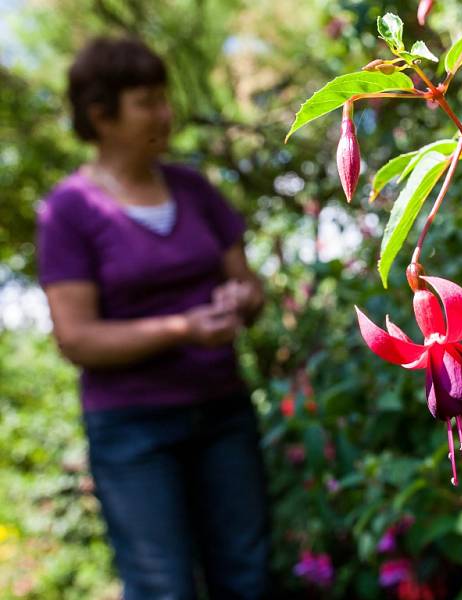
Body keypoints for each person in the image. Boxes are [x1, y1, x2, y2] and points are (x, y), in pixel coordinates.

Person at [35, 36, 270, 600]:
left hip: (222, 412)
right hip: (132, 430)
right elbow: (77, 338)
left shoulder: (193, 189)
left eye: (164, 98)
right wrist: (182, 329)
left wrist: (241, 301)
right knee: (162, 587)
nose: (165, 114)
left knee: (248, 575)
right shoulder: (68, 212)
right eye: (147, 101)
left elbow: (249, 286)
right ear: (101, 115)